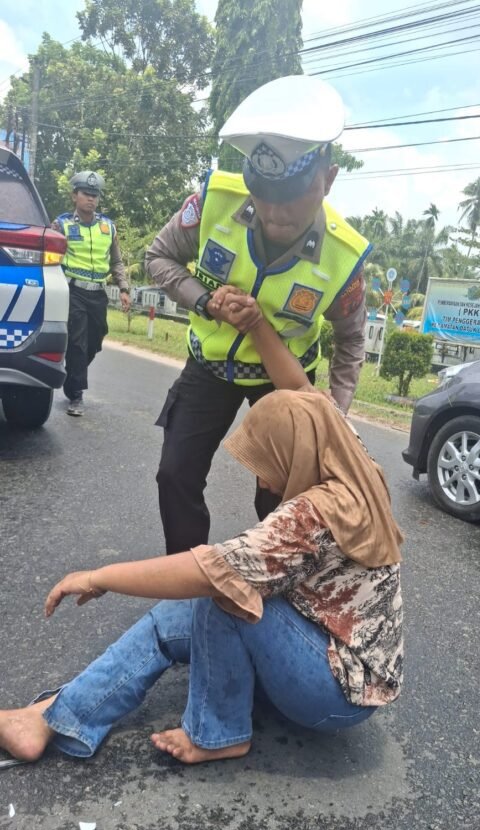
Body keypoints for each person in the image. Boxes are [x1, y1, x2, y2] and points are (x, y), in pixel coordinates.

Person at [0, 389, 404, 765]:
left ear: (297, 451)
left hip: (337, 693)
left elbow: (211, 571)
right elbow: (309, 399)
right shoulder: (354, 462)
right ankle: (58, 715)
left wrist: (98, 577)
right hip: (328, 653)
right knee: (179, 613)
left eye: (266, 464)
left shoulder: (316, 514)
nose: (262, 481)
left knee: (223, 595)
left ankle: (219, 734)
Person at [144, 75, 371, 554]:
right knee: (175, 475)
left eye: (292, 196)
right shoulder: (213, 201)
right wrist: (203, 301)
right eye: (264, 195)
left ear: (327, 180)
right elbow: (158, 258)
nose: (274, 212)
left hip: (284, 382)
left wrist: (335, 412)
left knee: (280, 496)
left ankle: (274, 586)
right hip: (209, 365)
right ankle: (190, 579)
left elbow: (350, 340)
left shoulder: (344, 257)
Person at [53, 171, 131, 417]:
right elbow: (51, 257)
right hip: (73, 291)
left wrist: (124, 288)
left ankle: (72, 375)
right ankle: (76, 395)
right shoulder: (62, 225)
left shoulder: (108, 227)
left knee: (95, 342)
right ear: (74, 195)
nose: (91, 199)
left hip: (98, 294)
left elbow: (116, 262)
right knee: (77, 343)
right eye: (86, 194)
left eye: (95, 195)